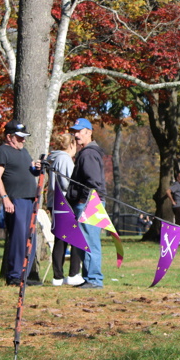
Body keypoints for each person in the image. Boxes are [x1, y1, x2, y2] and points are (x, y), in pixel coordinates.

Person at [0, 121, 42, 285]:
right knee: (18, 238)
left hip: (30, 199)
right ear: (9, 137)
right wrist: (5, 198)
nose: (23, 140)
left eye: (24, 137)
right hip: (15, 200)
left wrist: (36, 168)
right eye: (20, 137)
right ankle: (14, 276)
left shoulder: (24, 152)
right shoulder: (3, 152)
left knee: (30, 237)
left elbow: (30, 171)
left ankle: (24, 276)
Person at [66, 117, 107, 289]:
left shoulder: (89, 153)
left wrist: (85, 200)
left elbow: (93, 182)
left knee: (90, 242)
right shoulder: (86, 152)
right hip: (88, 202)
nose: (76, 135)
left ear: (89, 132)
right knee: (84, 242)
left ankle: (94, 279)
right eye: (74, 132)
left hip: (89, 203)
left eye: (79, 131)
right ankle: (89, 277)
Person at [46, 133, 81, 286]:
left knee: (60, 239)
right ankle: (73, 273)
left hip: (55, 201)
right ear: (71, 145)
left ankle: (58, 276)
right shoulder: (64, 159)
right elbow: (67, 182)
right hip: (65, 201)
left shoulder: (53, 158)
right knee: (75, 237)